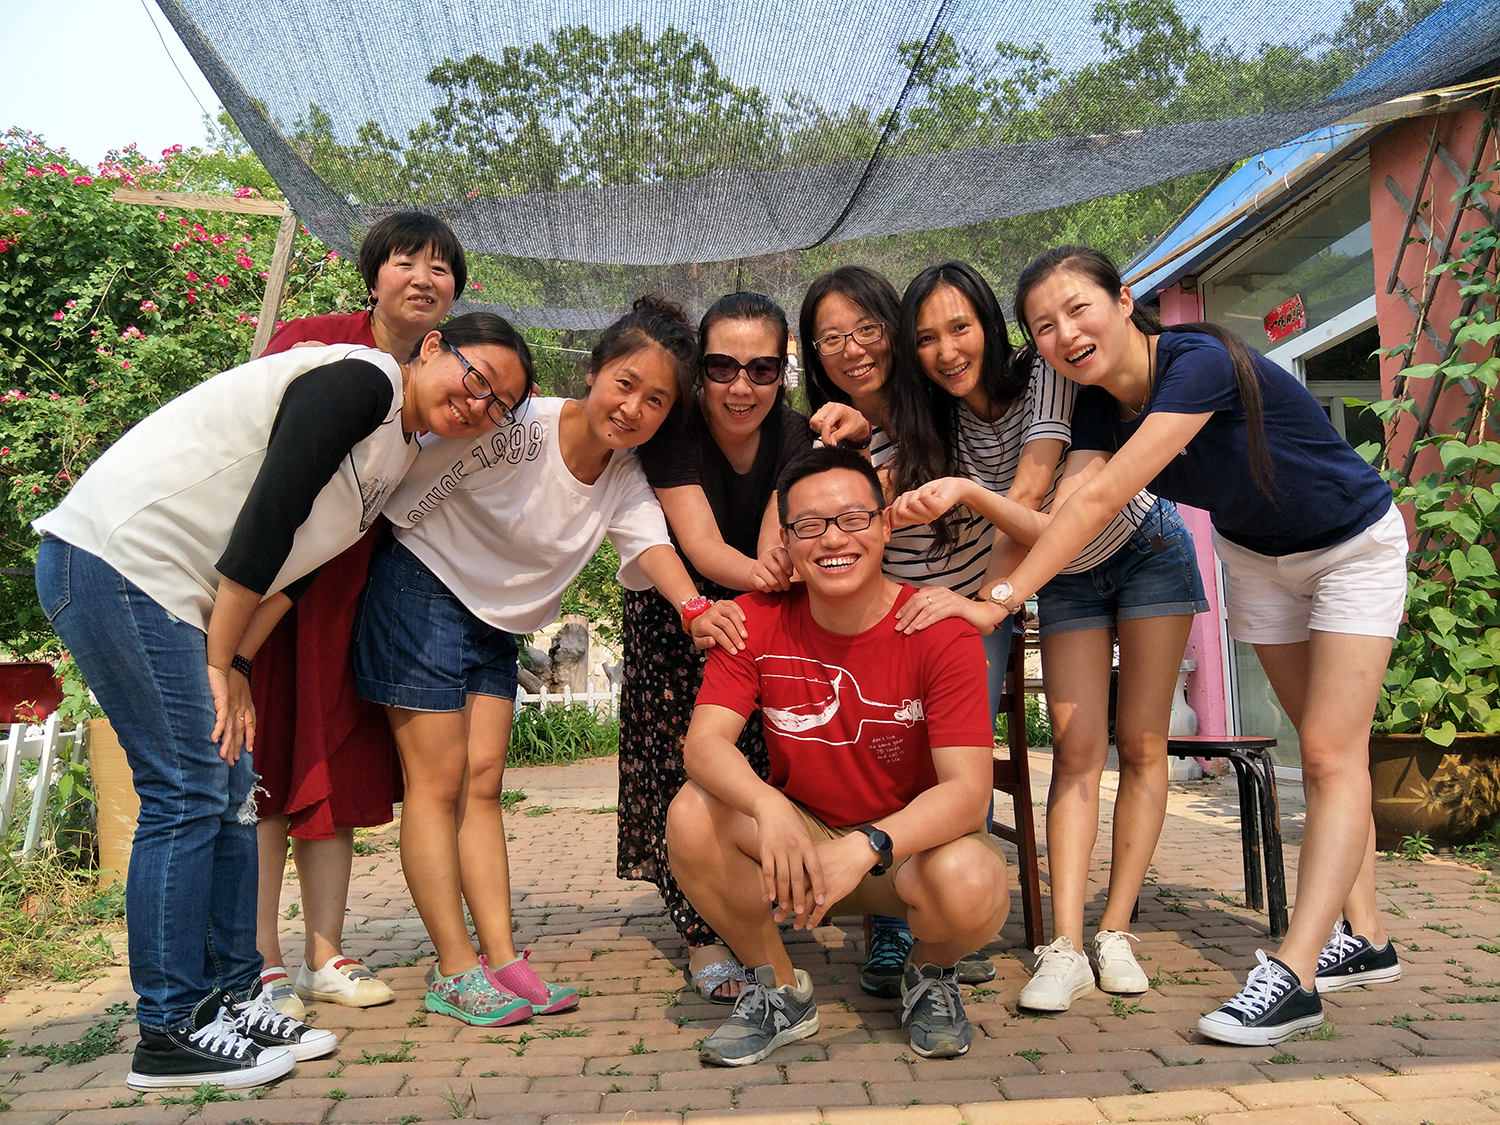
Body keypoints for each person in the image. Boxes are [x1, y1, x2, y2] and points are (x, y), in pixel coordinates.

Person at [33, 311, 528, 1089]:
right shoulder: (360, 381)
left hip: (178, 595)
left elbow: (298, 570)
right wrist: (219, 658)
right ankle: (170, 1027)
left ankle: (235, 998)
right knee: (187, 788)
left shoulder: (398, 450)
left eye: (498, 406)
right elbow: (270, 515)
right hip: (119, 561)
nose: (478, 405)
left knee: (234, 787)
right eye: (477, 380)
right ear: (434, 347)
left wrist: (238, 661)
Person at [991, 245, 1405, 1045]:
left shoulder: (1196, 360)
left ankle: (1295, 975)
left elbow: (1106, 496)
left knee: (1329, 750)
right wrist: (1000, 580)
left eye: (1077, 308)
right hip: (1255, 556)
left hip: (1351, 544)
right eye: (1043, 326)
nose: (1065, 334)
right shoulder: (1094, 409)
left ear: (1124, 299)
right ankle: (1369, 937)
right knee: (1326, 748)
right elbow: (1071, 506)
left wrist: (1004, 597)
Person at [353, 296, 746, 1025]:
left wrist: (694, 607)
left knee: (483, 784)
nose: (633, 408)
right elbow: (410, 463)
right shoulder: (518, 424)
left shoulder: (626, 473)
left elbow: (650, 544)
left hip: (493, 626)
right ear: (593, 372)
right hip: (422, 591)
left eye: (656, 400)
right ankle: (454, 968)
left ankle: (502, 957)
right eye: (625, 384)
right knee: (436, 784)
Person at [885, 261, 1207, 1012]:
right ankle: (1063, 945)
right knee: (1074, 747)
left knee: (1143, 742)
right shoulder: (936, 418)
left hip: (1144, 549)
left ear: (992, 328)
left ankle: (1114, 930)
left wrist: (988, 599)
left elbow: (1037, 501)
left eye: (961, 328)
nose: (947, 351)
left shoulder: (1046, 372)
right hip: (1061, 576)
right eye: (927, 338)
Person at [666, 446, 1010, 1066]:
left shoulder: (939, 628)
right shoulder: (752, 620)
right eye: (809, 526)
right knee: (692, 814)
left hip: (908, 853)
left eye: (853, 519)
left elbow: (967, 792)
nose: (833, 540)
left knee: (974, 881)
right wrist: (767, 805)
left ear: (884, 526)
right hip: (802, 842)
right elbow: (705, 744)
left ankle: (930, 974)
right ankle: (779, 990)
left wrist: (868, 845)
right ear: (786, 542)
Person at [251, 211, 466, 1017]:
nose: (423, 278)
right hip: (270, 585)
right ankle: (261, 958)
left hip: (350, 597)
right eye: (406, 261)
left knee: (328, 764)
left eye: (440, 268)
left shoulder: (449, 376)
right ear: (373, 275)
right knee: (265, 764)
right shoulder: (314, 344)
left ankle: (323, 953)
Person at [616, 292, 818, 1003]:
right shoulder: (675, 428)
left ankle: (745, 902)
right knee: (678, 761)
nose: (741, 387)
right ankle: (699, 931)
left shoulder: (796, 433)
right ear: (699, 368)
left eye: (762, 370)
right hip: (678, 608)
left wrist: (772, 574)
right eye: (722, 367)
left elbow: (772, 537)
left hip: (756, 610)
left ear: (783, 371)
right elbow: (699, 544)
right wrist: (762, 576)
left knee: (753, 761)